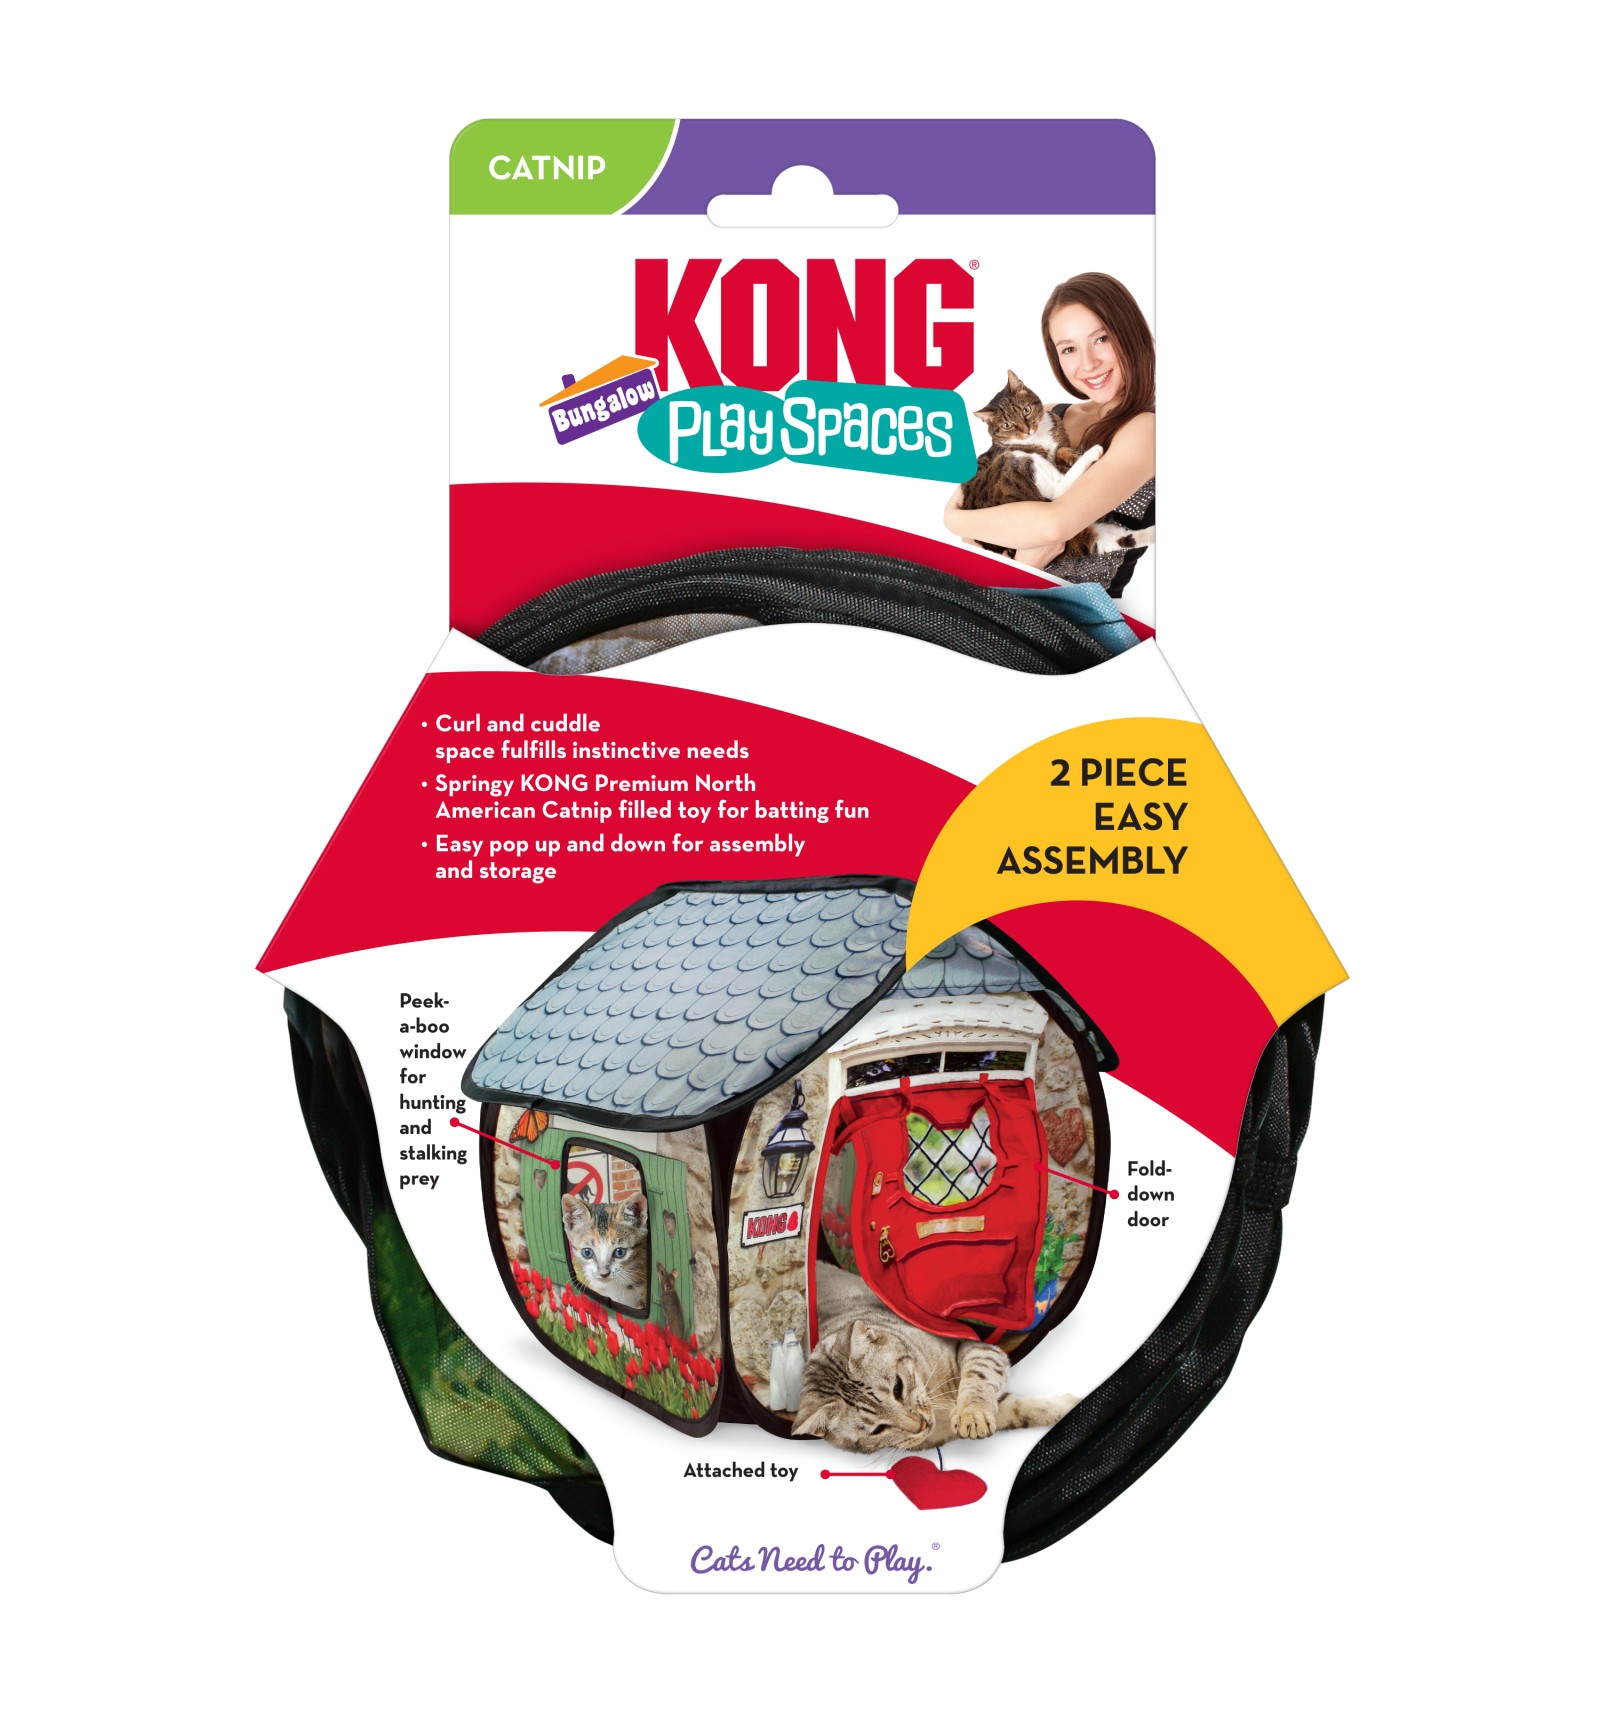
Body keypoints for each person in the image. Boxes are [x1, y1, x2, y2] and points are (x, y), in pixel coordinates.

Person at [944, 272, 1155, 590]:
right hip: (997, 591)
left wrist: (954, 519)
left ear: (1131, 333)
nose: (1089, 363)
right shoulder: (1050, 414)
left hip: (1074, 614)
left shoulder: (1145, 430)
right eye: (1069, 349)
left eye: (1101, 339)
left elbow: (1055, 525)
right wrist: (1021, 562)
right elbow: (973, 515)